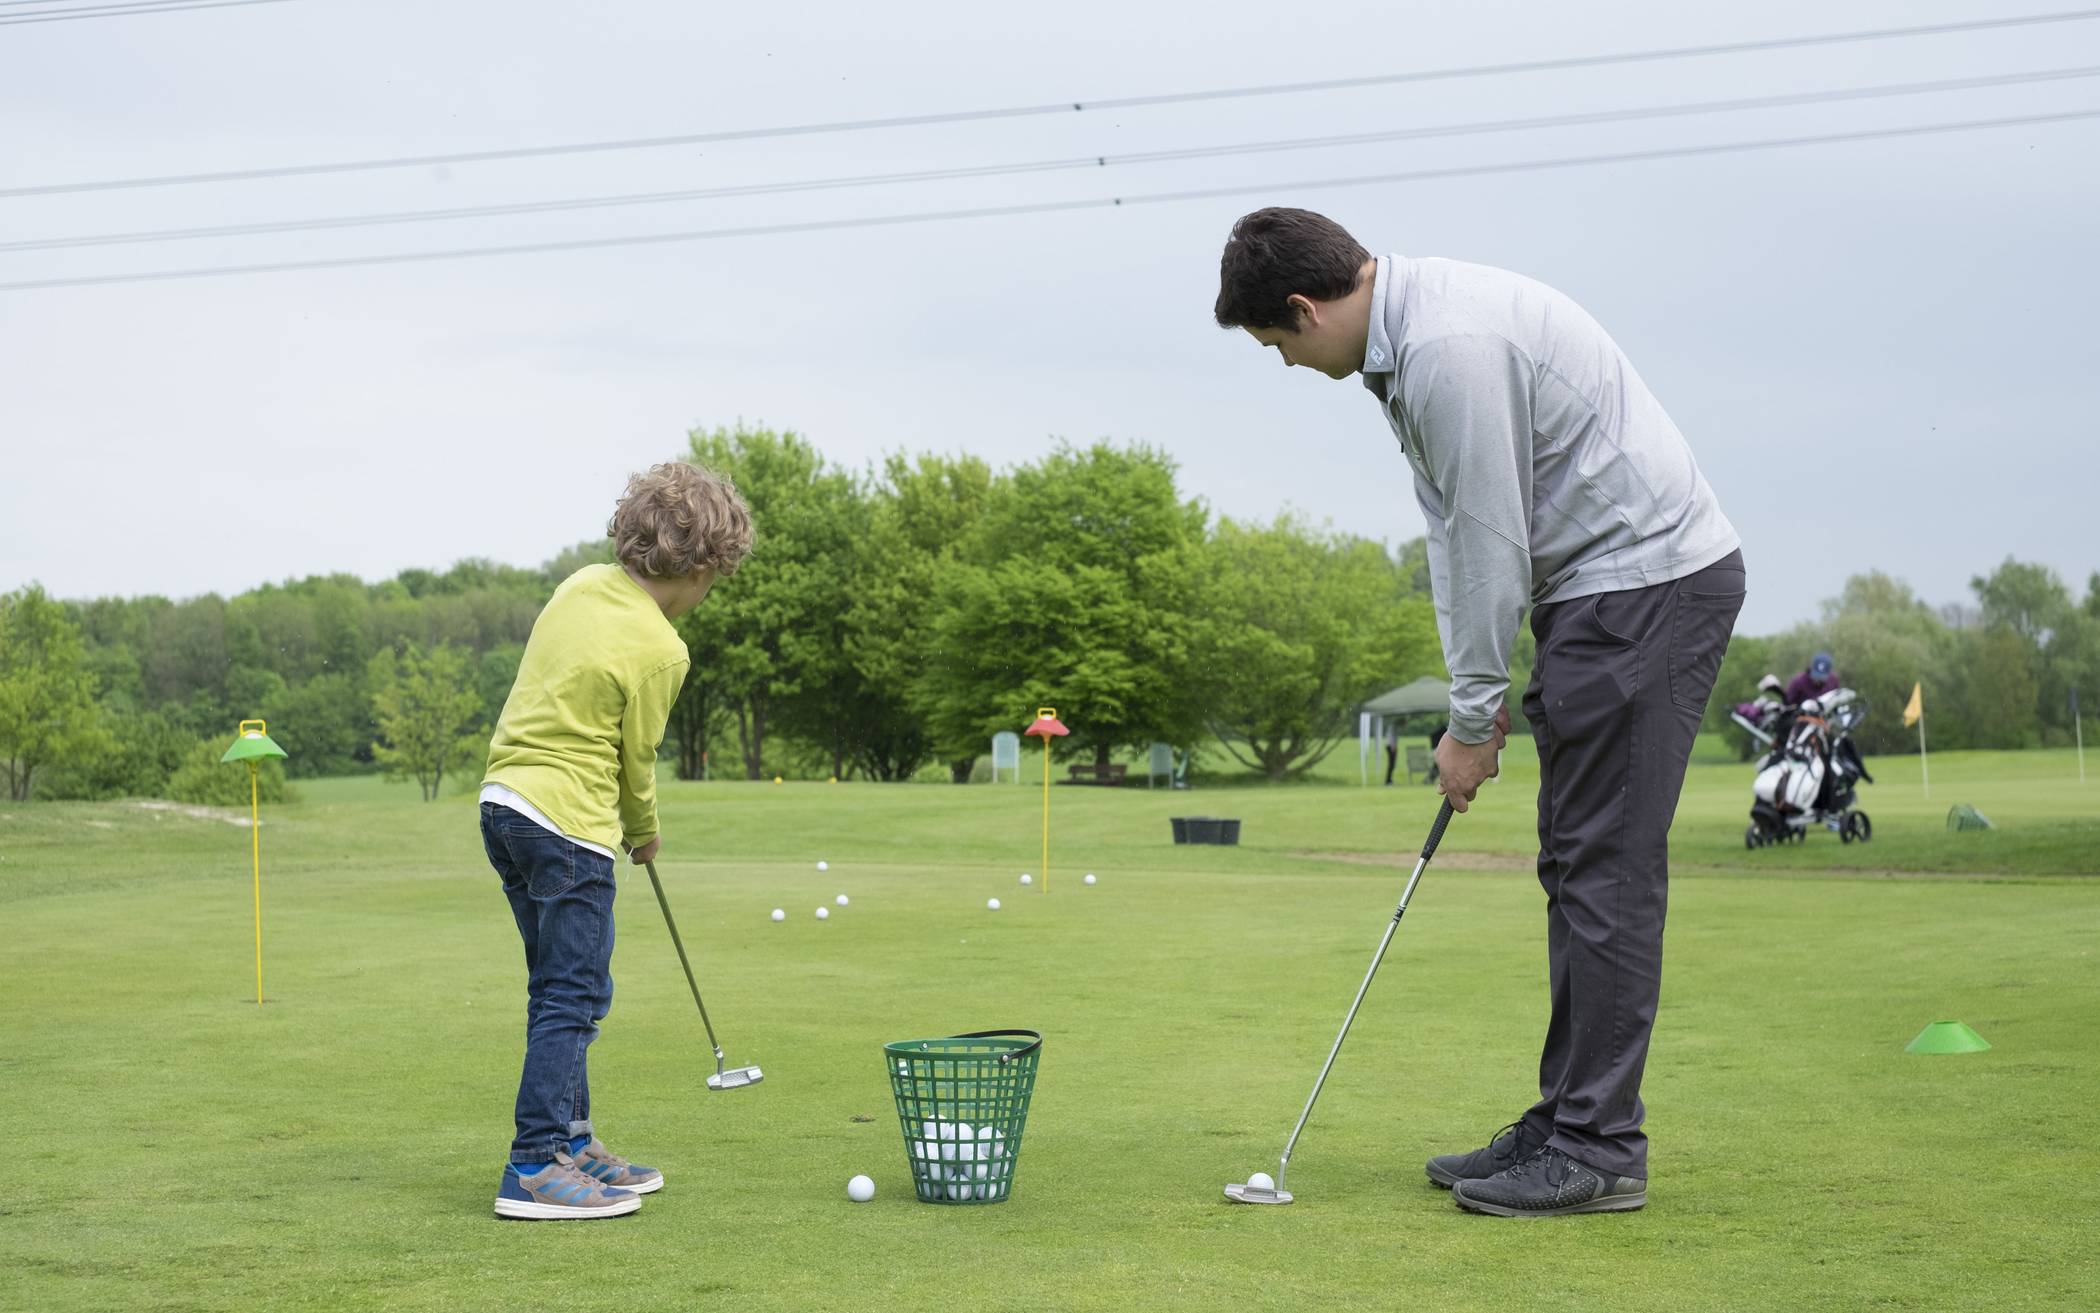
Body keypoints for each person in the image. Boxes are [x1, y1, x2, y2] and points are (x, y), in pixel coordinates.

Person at [1216, 208, 1746, 1217]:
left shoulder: (1447, 349)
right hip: (1600, 593)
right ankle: (1565, 1116)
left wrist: (1470, 717)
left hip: (1646, 586)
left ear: (1304, 306)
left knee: (1606, 866)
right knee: (1576, 858)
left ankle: (1600, 1144)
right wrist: (1478, 697)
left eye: (1278, 342)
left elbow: (1493, 537)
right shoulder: (1405, 346)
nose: (1286, 362)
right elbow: (1454, 537)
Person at [478, 461, 754, 1220]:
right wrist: (646, 832)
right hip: (570, 825)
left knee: (557, 988)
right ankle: (534, 1164)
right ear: (699, 568)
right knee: (575, 993)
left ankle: (571, 1137)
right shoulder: (664, 648)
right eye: (714, 579)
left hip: (503, 804)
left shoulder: (577, 585)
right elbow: (637, 759)